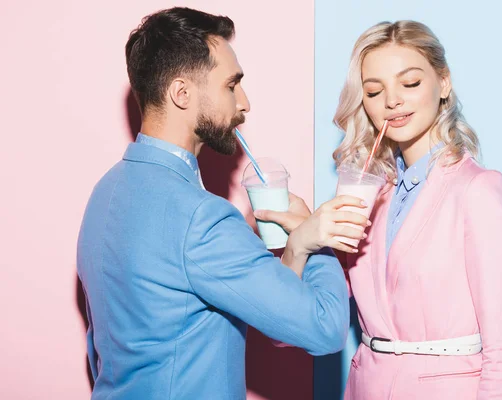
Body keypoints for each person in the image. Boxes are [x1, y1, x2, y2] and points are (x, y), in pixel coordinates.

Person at [76, 7, 369, 400]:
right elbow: (325, 327)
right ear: (182, 94)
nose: (244, 103)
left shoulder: (104, 193)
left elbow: (103, 351)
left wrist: (293, 249)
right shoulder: (202, 218)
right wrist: (316, 241)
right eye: (231, 85)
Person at [260, 20, 502, 399]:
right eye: (374, 90)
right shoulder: (368, 195)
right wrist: (301, 244)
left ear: (444, 84)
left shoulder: (478, 190)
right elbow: (299, 331)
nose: (392, 101)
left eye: (411, 83)